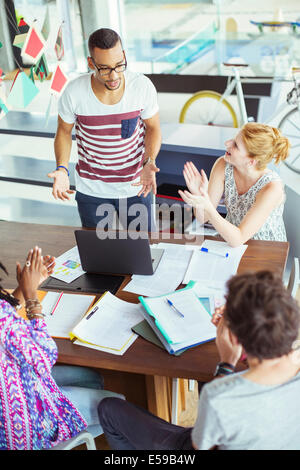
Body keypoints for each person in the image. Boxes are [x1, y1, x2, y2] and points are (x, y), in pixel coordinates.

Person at [98, 270, 300, 450]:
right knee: (204, 379)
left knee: (108, 408)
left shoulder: (219, 397)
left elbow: (200, 446)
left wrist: (228, 361)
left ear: (235, 338)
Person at [0, 246, 120, 450]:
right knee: (118, 405)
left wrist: (24, 287)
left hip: (13, 386)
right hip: (23, 427)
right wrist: (31, 297)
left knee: (93, 379)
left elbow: (6, 320)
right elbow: (45, 355)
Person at [48, 28, 161, 232]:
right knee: (99, 257)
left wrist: (149, 161)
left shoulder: (142, 87)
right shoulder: (74, 92)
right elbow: (64, 131)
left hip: (136, 186)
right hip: (91, 190)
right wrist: (62, 169)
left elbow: (153, 128)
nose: (114, 75)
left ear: (124, 55)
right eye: (105, 68)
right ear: (91, 64)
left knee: (143, 252)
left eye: (119, 65)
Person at [178, 123, 290, 246]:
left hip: (264, 247)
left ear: (251, 161)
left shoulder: (272, 188)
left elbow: (239, 238)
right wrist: (201, 197)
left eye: (235, 145)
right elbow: (202, 217)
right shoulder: (223, 164)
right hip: (230, 237)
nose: (227, 143)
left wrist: (208, 206)